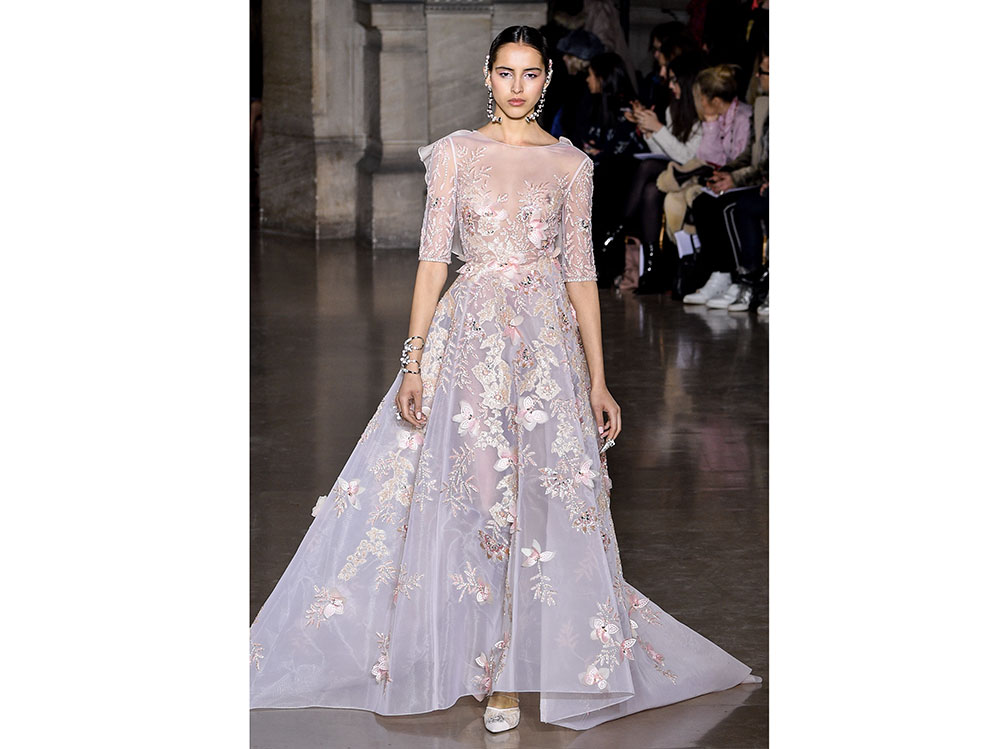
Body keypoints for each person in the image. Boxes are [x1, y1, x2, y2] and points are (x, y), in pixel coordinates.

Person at [248, 25, 760, 734]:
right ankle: (480, 655)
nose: (517, 86)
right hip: (472, 344)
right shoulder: (456, 154)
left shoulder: (570, 165)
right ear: (487, 77)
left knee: (538, 507)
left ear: (546, 80)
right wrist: (413, 361)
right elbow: (433, 261)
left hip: (545, 348)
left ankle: (508, 676)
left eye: (530, 73)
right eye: (506, 72)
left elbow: (580, 274)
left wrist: (599, 380)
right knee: (481, 500)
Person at [686, 52, 769, 312]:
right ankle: (720, 273)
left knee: (731, 207)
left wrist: (733, 177)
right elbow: (744, 155)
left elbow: (757, 163)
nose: (758, 76)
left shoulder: (745, 114)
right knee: (702, 202)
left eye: (763, 72)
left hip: (754, 180)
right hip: (749, 176)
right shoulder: (761, 106)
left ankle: (739, 276)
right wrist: (726, 173)